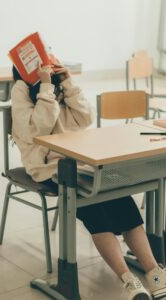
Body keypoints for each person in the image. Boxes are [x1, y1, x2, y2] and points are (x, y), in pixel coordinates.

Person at [11, 63, 166, 300]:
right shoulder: (21, 90)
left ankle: (155, 274)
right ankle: (129, 281)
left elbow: (85, 118)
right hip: (49, 168)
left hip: (81, 160)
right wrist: (45, 88)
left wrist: (68, 83)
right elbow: (37, 132)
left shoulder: (58, 85)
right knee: (95, 208)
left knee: (120, 197)